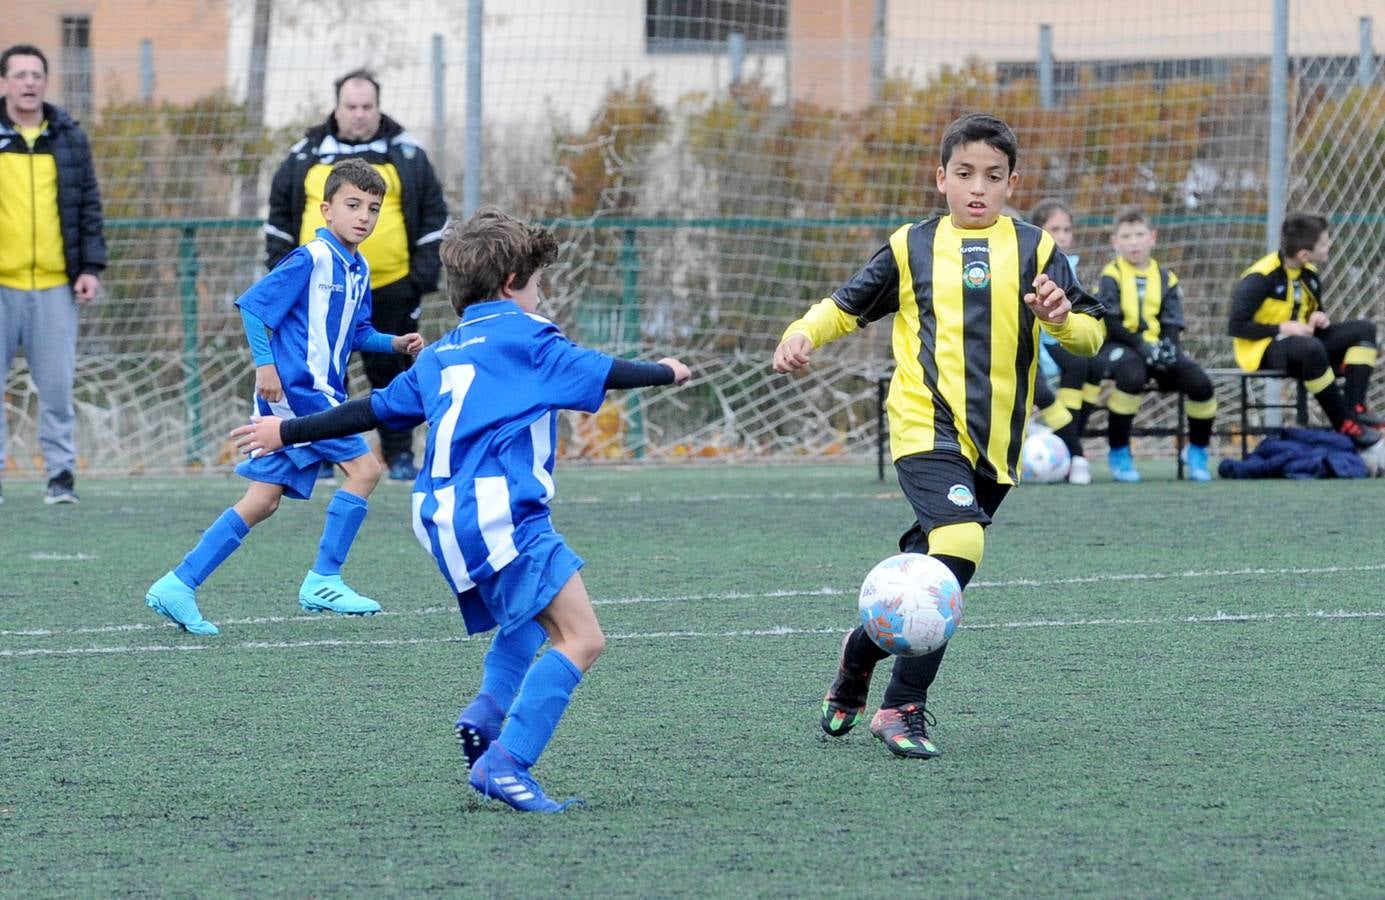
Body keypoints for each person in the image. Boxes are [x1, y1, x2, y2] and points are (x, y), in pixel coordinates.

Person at [231, 206, 691, 811]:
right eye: (537, 281)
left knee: (528, 622)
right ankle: (507, 762)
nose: (541, 292)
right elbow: (607, 371)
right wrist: (668, 370)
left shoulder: (441, 354)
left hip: (439, 514)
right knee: (582, 638)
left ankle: (486, 715)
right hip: (502, 513)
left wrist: (288, 431)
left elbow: (368, 410)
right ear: (511, 285)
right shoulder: (531, 339)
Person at [772, 114, 1105, 759]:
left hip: (997, 445)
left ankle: (859, 653)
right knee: (960, 543)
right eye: (963, 174)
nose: (977, 188)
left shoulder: (1037, 249)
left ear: (1013, 182)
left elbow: (1092, 334)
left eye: (993, 176)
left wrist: (1062, 317)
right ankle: (902, 707)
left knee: (938, 574)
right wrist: (803, 332)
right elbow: (846, 305)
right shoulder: (911, 246)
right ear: (940, 178)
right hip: (924, 427)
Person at [144, 159, 424, 635]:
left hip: (317, 392)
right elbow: (255, 306)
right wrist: (265, 364)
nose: (364, 216)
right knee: (367, 469)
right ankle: (324, 578)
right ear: (326, 209)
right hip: (302, 394)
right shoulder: (311, 257)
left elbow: (356, 333)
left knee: (263, 500)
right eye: (352, 205)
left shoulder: (358, 269)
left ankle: (178, 583)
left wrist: (393, 343)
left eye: (373, 209)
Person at [265, 69, 448, 483]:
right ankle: (324, 455)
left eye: (367, 107)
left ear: (378, 108)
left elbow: (435, 214)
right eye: (352, 106)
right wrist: (285, 276)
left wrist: (421, 277)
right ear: (337, 107)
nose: (360, 114)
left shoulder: (408, 154)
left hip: (392, 287)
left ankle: (399, 455)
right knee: (325, 375)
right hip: (320, 292)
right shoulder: (304, 154)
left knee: (394, 373)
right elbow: (278, 218)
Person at [0, 44, 106, 506]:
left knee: (58, 387)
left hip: (53, 285)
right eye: (19, 75)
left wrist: (89, 267)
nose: (28, 83)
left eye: (36, 74)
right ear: (3, 84)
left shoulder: (67, 136)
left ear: (45, 82)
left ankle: (61, 475)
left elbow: (87, 205)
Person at [1229, 211, 1381, 449]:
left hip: (1306, 345)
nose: (1329, 244)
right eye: (1323, 242)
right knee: (1311, 349)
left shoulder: (1309, 274)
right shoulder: (1260, 277)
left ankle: (1355, 408)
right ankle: (1344, 423)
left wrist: (1317, 318)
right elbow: (1237, 326)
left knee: (1365, 330)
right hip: (1264, 350)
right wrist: (1283, 327)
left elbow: (1312, 314)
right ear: (1303, 254)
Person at [1095, 207, 1217, 482]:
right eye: (1126, 236)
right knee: (1132, 375)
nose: (1133, 242)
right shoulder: (1110, 275)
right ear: (1115, 242)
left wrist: (1168, 348)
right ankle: (1119, 451)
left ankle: (1197, 450)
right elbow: (1110, 321)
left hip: (1154, 346)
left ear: (1152, 238)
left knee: (1201, 383)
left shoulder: (1166, 277)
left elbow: (1172, 320)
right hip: (1118, 346)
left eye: (1139, 234)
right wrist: (1141, 345)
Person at [1028, 198, 1100, 484]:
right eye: (1054, 229)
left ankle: (1067, 437)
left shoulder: (1073, 266)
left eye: (1066, 229)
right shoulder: (1030, 263)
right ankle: (1074, 451)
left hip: (1065, 336)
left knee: (1096, 366)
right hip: (1040, 342)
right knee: (1071, 369)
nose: (1061, 236)